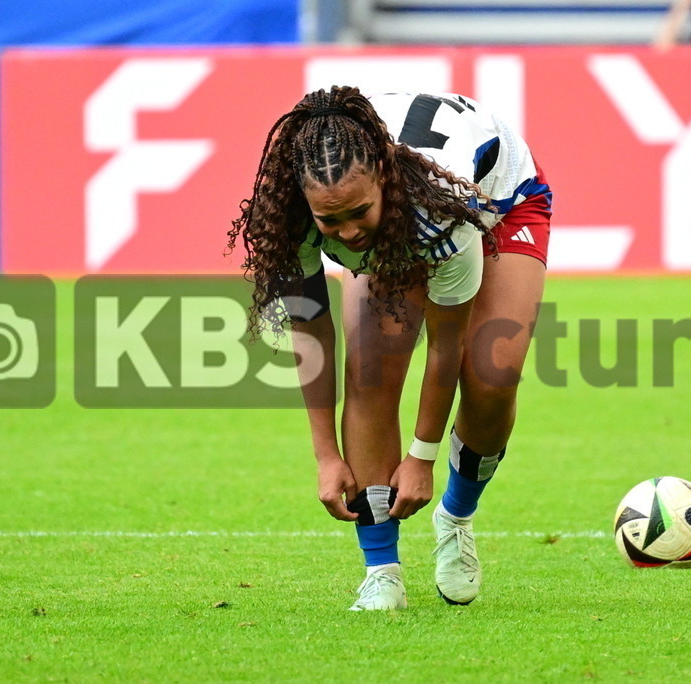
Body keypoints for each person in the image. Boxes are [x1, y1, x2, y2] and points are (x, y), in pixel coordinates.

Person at [227, 86, 551, 610]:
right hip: (405, 224)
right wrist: (325, 455)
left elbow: (446, 347)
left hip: (499, 199)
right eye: (330, 221)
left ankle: (456, 516)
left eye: (359, 212)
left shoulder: (439, 213)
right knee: (370, 371)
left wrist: (422, 457)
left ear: (382, 176)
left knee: (491, 371)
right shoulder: (288, 213)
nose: (349, 234)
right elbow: (311, 332)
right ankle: (382, 572)